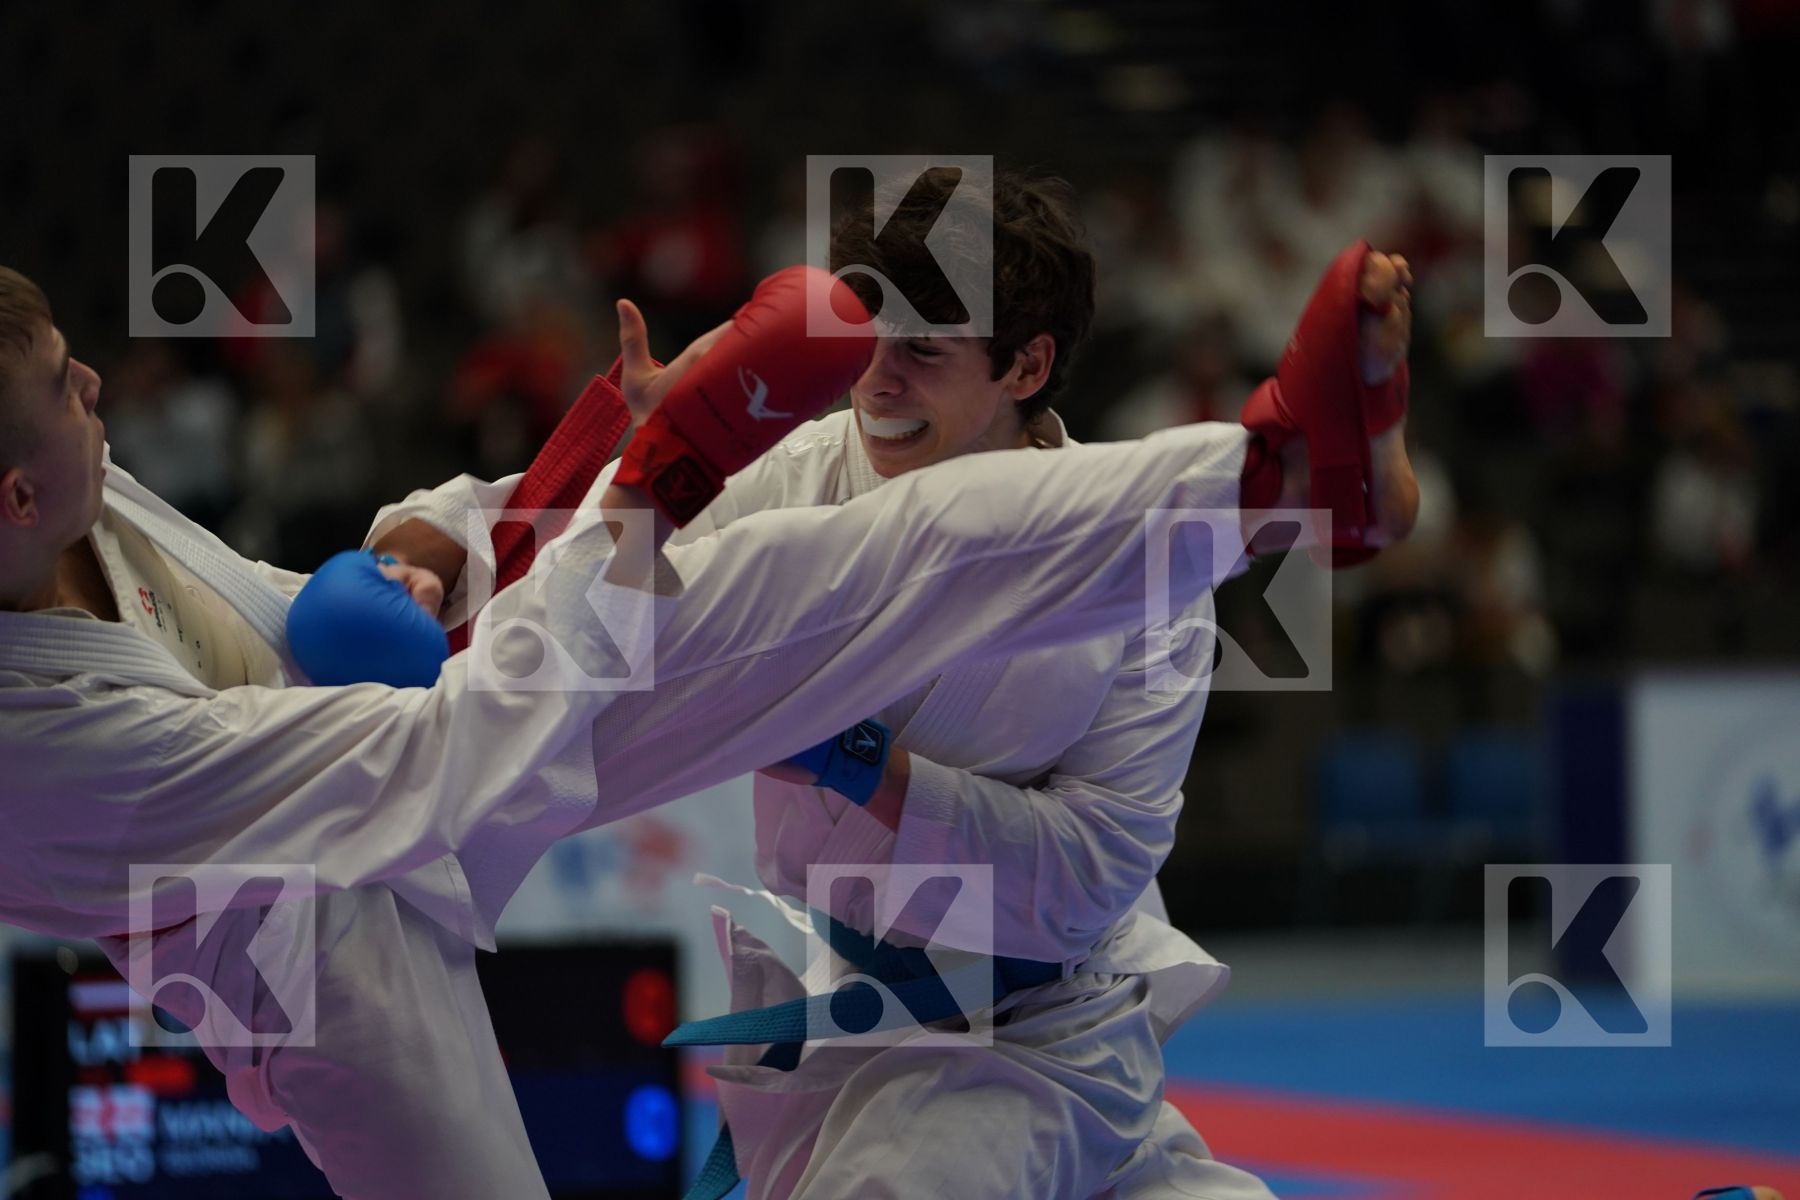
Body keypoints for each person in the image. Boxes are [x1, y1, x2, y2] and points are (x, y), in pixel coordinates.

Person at [0, 259, 1361, 1199]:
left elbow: (297, 627)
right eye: (67, 385)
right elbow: (435, 760)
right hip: (306, 939)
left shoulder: (76, 492)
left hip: (396, 734)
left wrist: (429, 546)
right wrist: (627, 499)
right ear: (8, 497)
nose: (101, 390)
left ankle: (1270, 472)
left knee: (841, 567)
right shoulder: (41, 749)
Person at [622, 170, 1414, 1200]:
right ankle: (1293, 469)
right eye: (864, 343)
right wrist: (652, 453)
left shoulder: (1151, 594)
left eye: (922, 352)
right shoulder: (799, 469)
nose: (875, 383)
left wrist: (852, 758)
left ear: (1026, 364)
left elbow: (1089, 876)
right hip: (840, 1002)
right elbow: (602, 614)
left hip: (1039, 1030)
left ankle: (1284, 468)